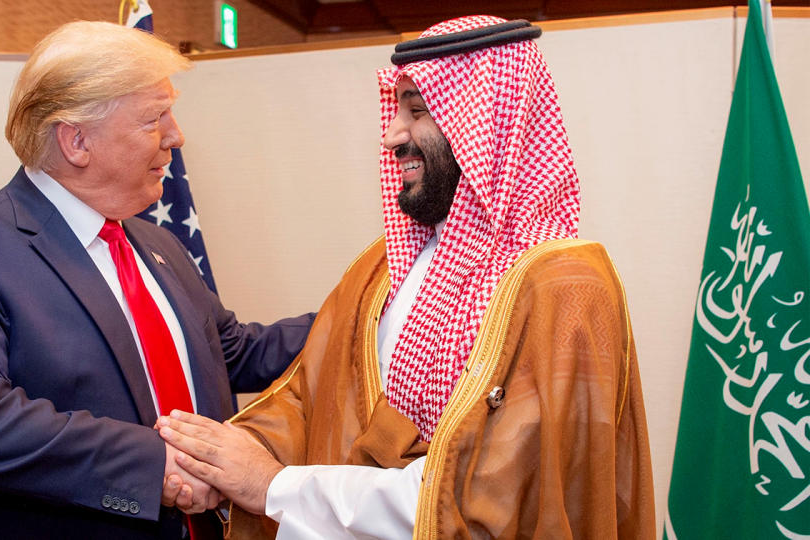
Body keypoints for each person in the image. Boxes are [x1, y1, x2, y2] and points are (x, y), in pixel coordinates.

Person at [156, 15, 655, 539]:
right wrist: (217, 460)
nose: (392, 134)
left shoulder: (566, 289)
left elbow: (496, 499)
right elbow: (309, 397)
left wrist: (275, 488)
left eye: (417, 110)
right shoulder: (383, 265)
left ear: (485, 123)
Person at [0, 21, 313, 540]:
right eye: (154, 118)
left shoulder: (157, 244)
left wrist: (373, 310)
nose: (176, 136)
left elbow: (233, 354)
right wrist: (150, 465)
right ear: (77, 140)